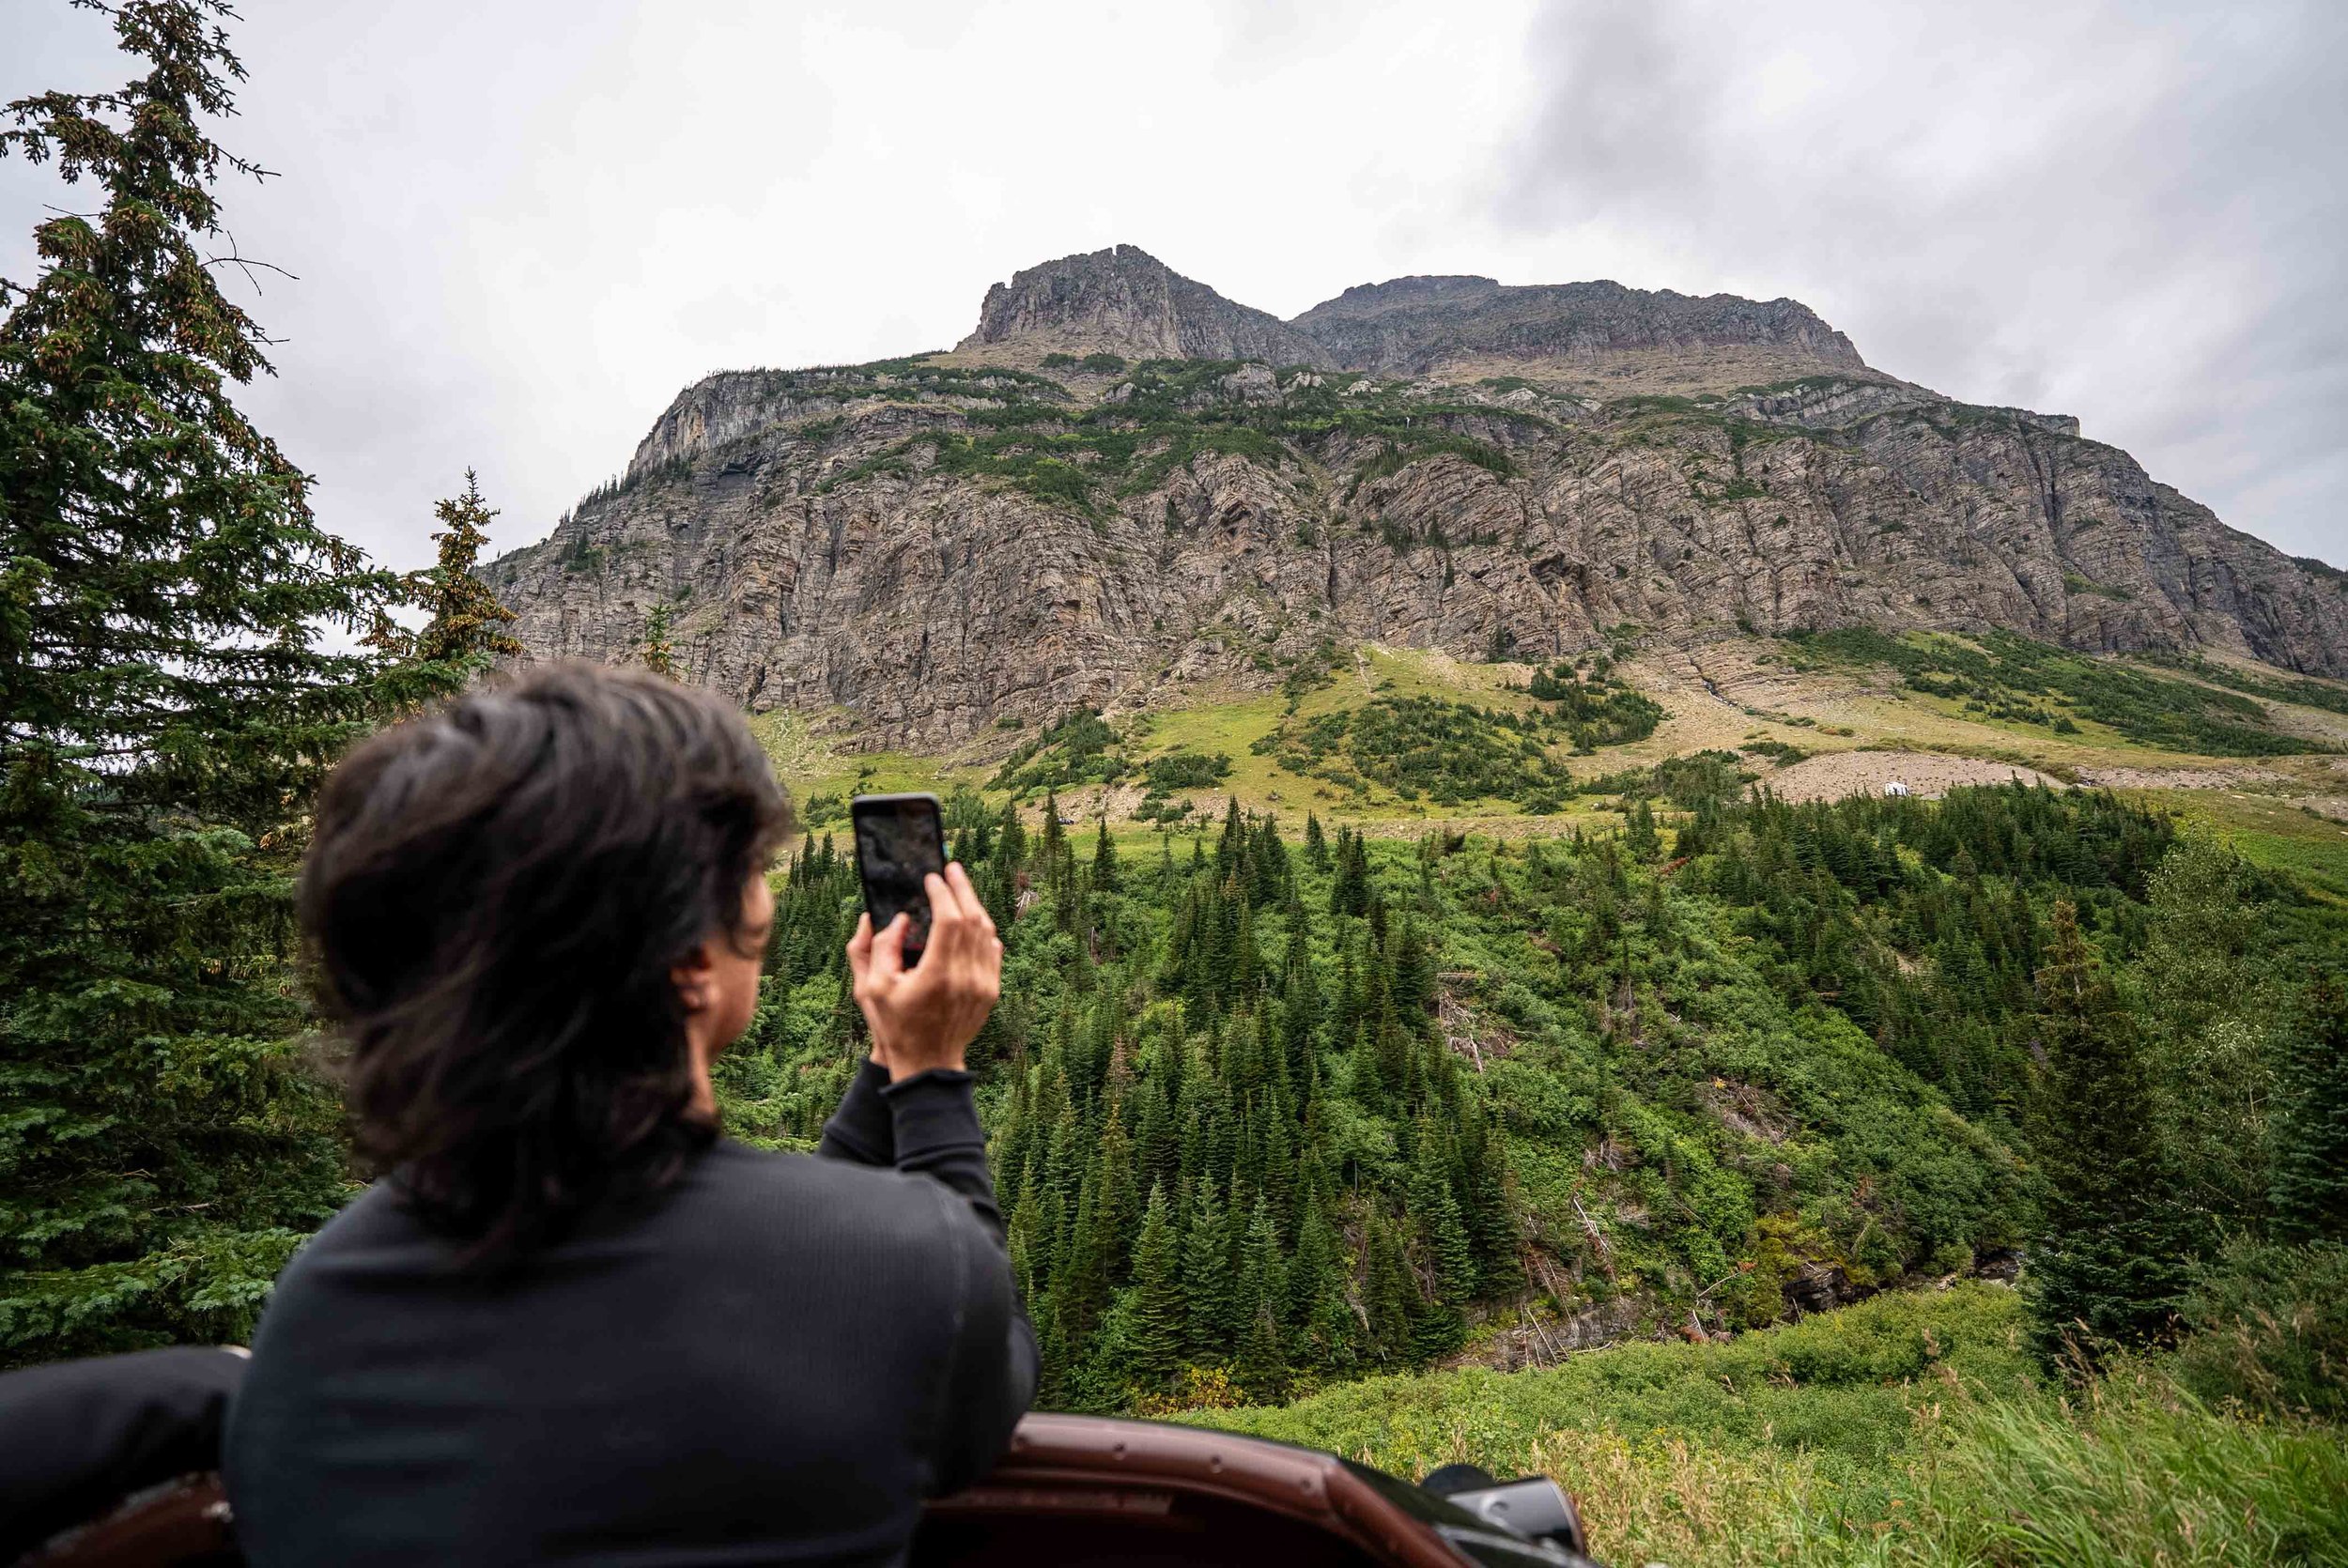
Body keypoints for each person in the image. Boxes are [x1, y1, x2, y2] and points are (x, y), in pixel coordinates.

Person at [224, 662, 1034, 1565]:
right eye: (752, 872)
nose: (764, 897)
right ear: (690, 959)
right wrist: (928, 1073)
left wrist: (888, 1058)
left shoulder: (325, 1302)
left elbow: (781, 1272)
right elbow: (978, 1383)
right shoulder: (897, 1263)